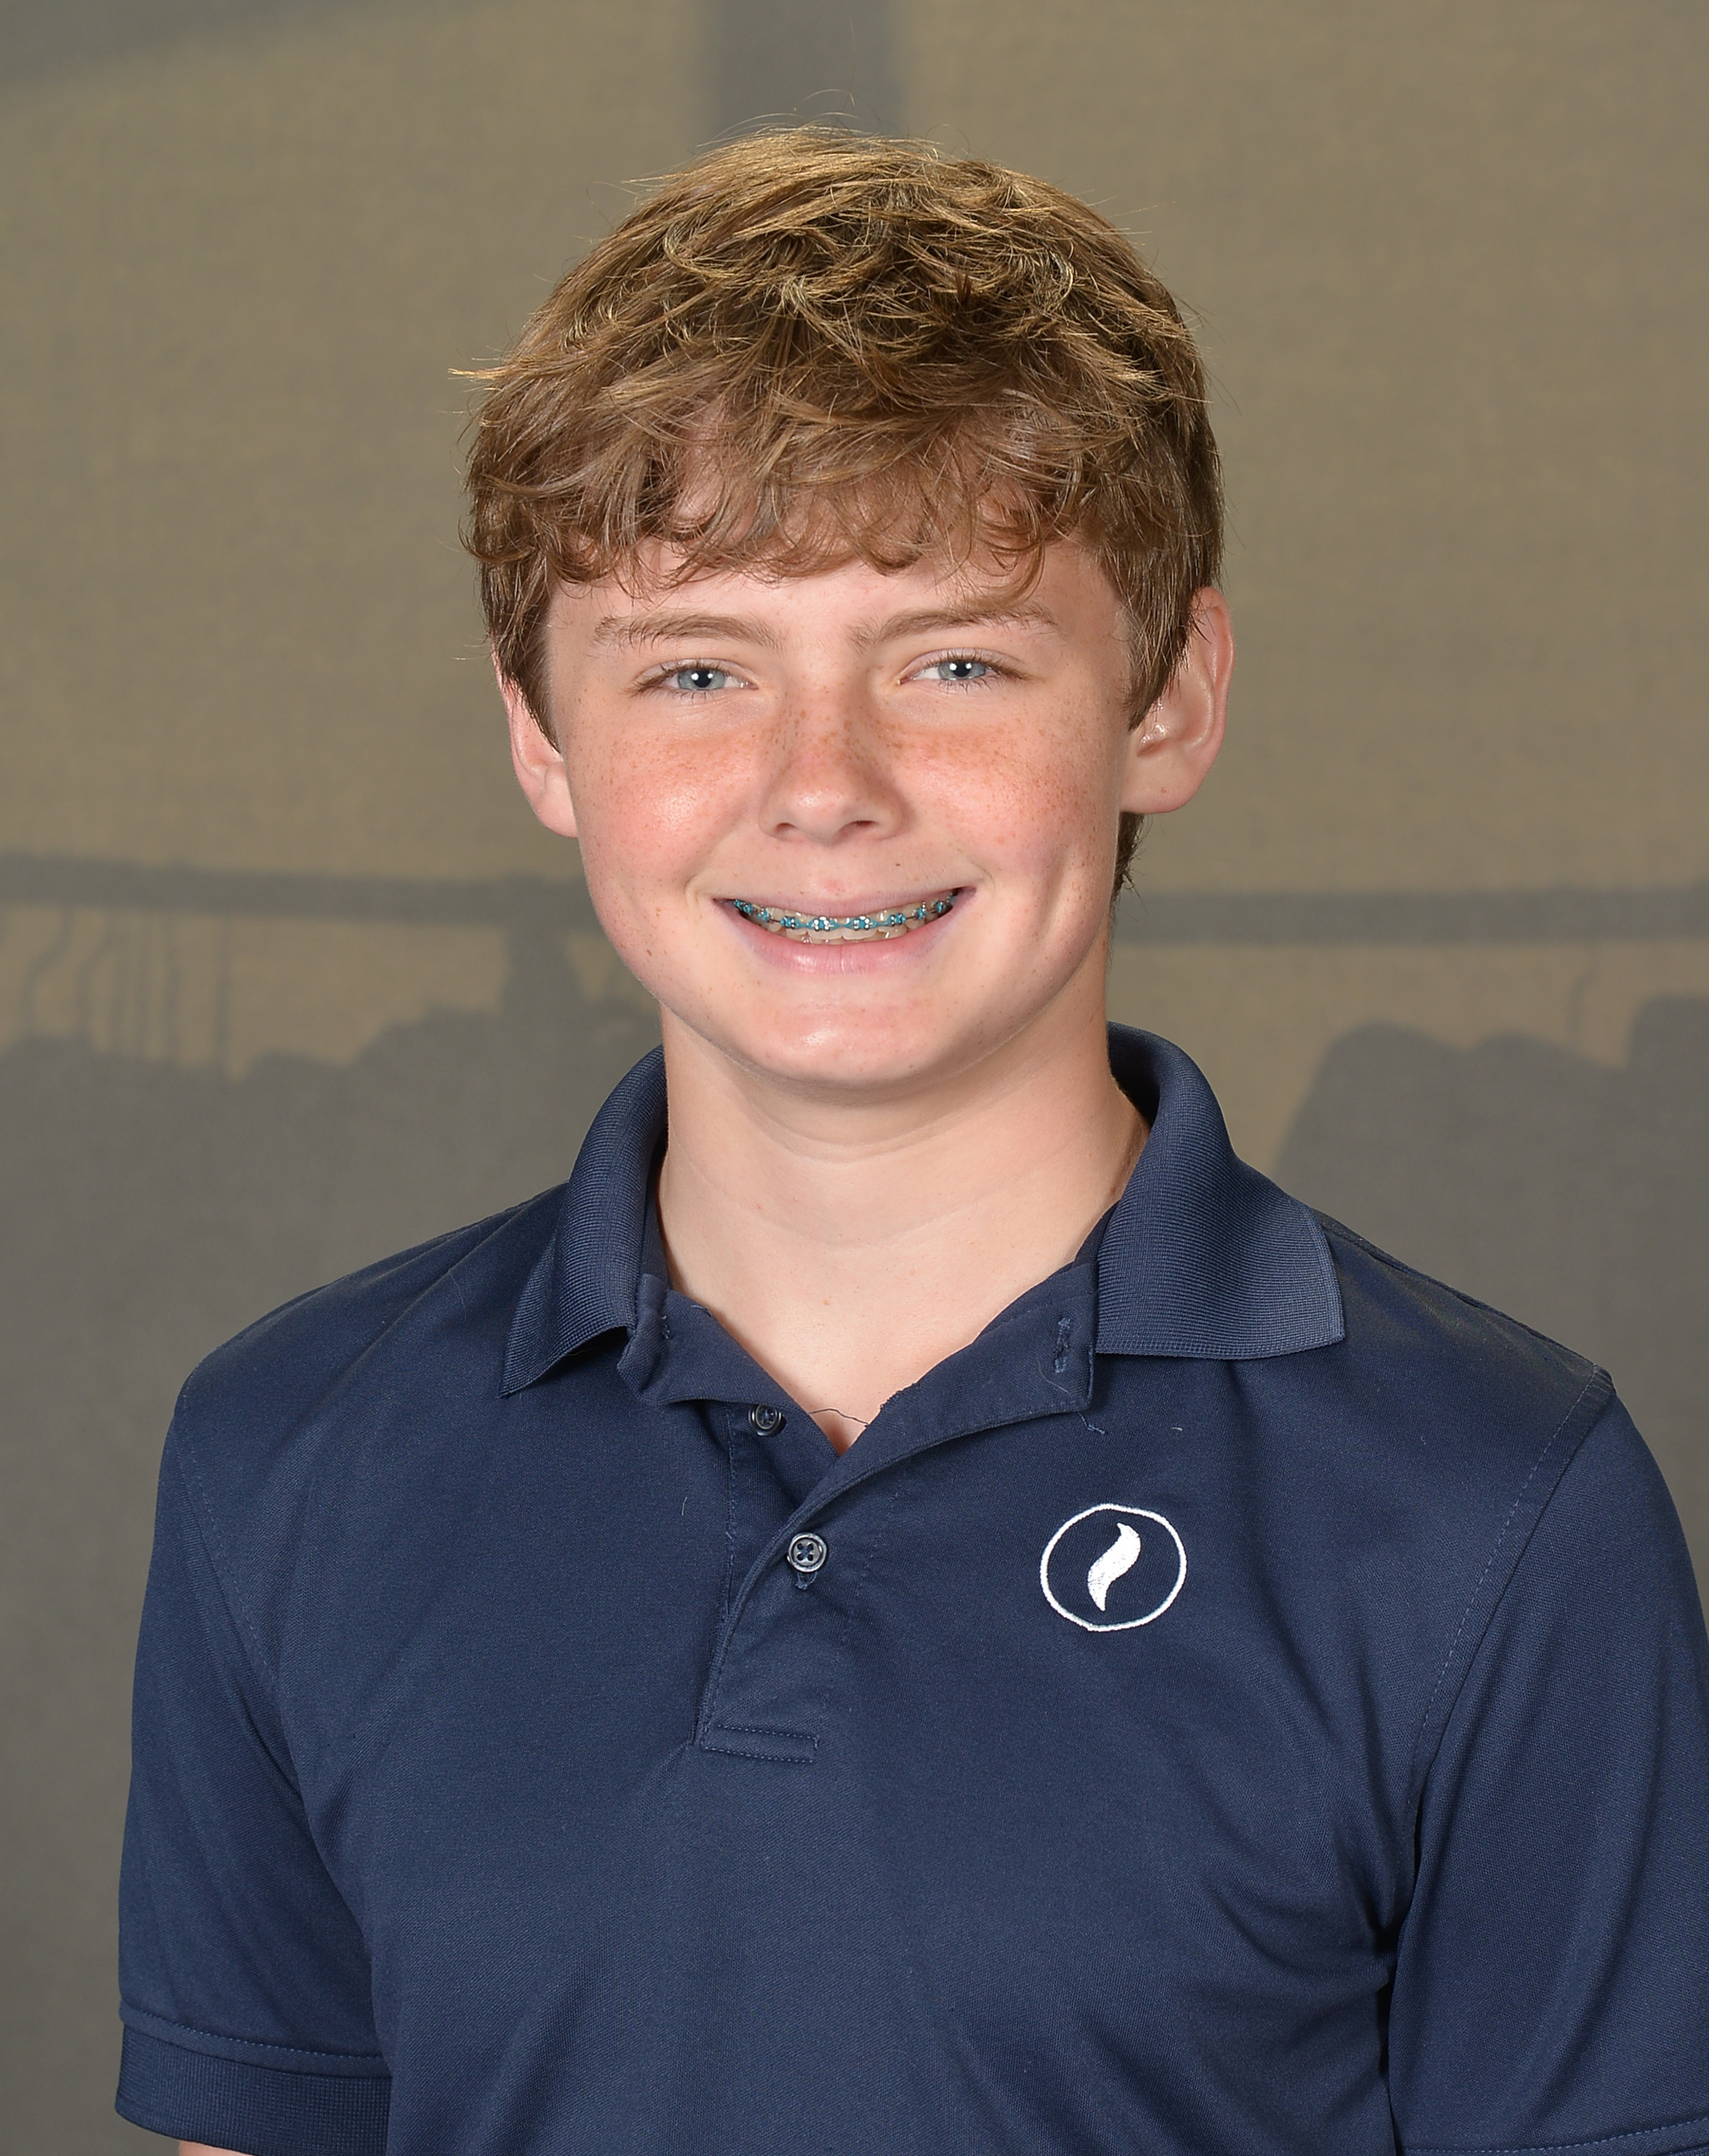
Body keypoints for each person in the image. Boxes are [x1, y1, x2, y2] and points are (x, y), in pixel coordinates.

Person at [116, 130, 1709, 2156]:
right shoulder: (288, 1458)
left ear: (1168, 701)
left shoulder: (1495, 1506)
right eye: (700, 669)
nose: (825, 786)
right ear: (541, 739)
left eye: (953, 660)